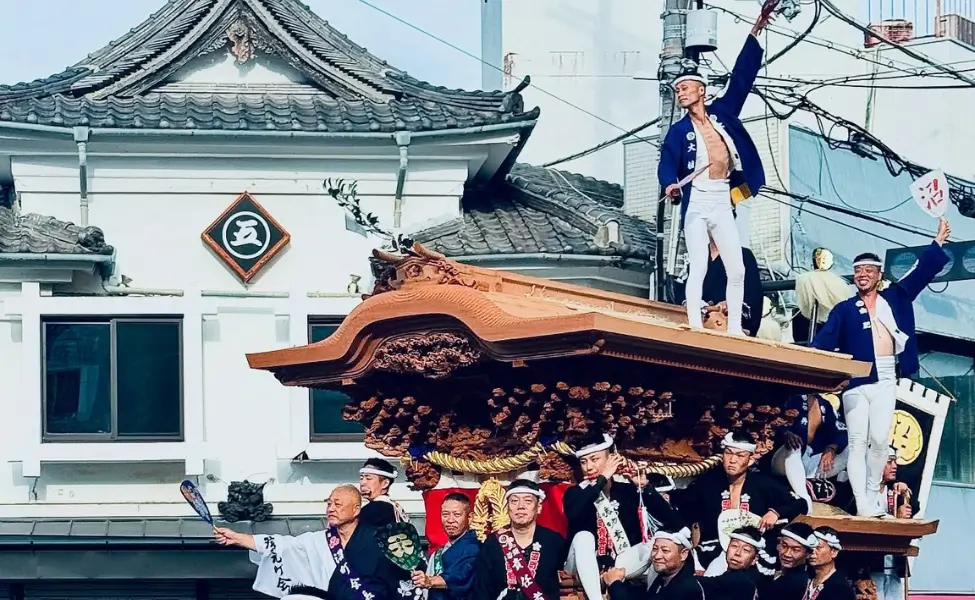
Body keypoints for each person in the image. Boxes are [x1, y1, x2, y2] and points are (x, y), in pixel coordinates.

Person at [812, 218, 950, 516]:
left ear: (879, 275)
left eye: (868, 271)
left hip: (887, 376)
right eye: (858, 271)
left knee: (880, 441)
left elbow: (921, 273)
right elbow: (821, 343)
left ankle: (873, 492)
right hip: (857, 381)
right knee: (858, 440)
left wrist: (937, 242)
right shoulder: (844, 309)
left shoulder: (895, 298)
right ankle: (863, 503)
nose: (862, 275)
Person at [658, 12, 775, 335]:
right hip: (698, 199)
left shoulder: (723, 114)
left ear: (702, 91)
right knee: (697, 264)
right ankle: (695, 324)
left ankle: (735, 327)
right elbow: (667, 164)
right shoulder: (678, 132)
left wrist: (757, 31)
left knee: (736, 267)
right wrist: (670, 185)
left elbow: (742, 79)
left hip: (722, 196)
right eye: (678, 88)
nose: (681, 92)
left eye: (686, 87)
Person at [215, 485, 408, 600]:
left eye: (338, 504)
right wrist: (238, 538)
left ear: (356, 510)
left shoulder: (380, 540)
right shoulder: (318, 540)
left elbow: (401, 576)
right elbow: (283, 545)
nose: (331, 508)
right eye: (329, 503)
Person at [562, 432, 682, 599]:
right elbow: (574, 513)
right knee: (583, 537)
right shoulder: (575, 493)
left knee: (657, 541)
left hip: (619, 564)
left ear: (611, 459)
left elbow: (673, 521)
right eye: (584, 462)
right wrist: (602, 479)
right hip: (582, 565)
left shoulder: (626, 491)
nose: (589, 467)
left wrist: (644, 487)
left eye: (595, 459)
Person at [669, 431, 806, 574]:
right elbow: (684, 506)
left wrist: (776, 513)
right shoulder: (708, 484)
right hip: (713, 550)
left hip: (754, 553)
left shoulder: (764, 484)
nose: (732, 460)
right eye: (728, 453)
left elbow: (801, 503)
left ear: (751, 459)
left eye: (740, 455)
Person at [473, 479, 567, 600]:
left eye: (527, 501)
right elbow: (482, 590)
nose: (520, 506)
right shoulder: (493, 543)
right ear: (508, 507)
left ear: (538, 507)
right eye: (514, 501)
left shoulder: (554, 541)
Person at [770, 393, 850, 513]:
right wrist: (786, 434)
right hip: (784, 460)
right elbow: (775, 422)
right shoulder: (791, 398)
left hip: (811, 462)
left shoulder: (825, 404)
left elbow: (840, 431)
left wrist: (831, 448)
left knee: (854, 446)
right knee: (794, 445)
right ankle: (804, 499)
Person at [683, 234, 765, 337]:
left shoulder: (743, 255)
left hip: (727, 325)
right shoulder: (698, 256)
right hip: (699, 324)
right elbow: (683, 290)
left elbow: (754, 294)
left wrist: (729, 304)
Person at [412, 493, 480, 600]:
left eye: (457, 515)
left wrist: (430, 581)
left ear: (470, 518)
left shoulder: (475, 549)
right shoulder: (438, 553)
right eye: (445, 514)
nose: (450, 520)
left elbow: (460, 576)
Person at [604, 527, 702, 599]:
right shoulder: (663, 577)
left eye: (665, 550)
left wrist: (614, 583)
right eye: (655, 549)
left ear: (683, 554)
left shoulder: (686, 588)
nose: (657, 555)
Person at [696, 526, 763, 600]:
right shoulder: (729, 576)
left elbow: (704, 584)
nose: (737, 553)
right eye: (734, 546)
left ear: (754, 559)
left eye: (746, 550)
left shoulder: (742, 581)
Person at [756, 522, 817, 600]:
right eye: (784, 546)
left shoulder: (794, 584)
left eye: (795, 550)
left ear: (808, 554)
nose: (787, 554)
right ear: (778, 545)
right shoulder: (782, 575)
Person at [805, 527, 856, 600]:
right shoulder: (806, 580)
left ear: (834, 552)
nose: (812, 551)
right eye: (811, 547)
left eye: (818, 547)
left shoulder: (841, 589)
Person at [360, 458, 409, 527]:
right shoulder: (394, 506)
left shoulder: (376, 509)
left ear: (385, 483)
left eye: (368, 478)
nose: (363, 483)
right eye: (361, 478)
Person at [879, 445, 919, 519]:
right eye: (889, 462)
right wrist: (896, 517)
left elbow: (915, 507)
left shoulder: (893, 487)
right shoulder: (861, 488)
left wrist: (906, 492)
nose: (895, 466)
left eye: (895, 461)